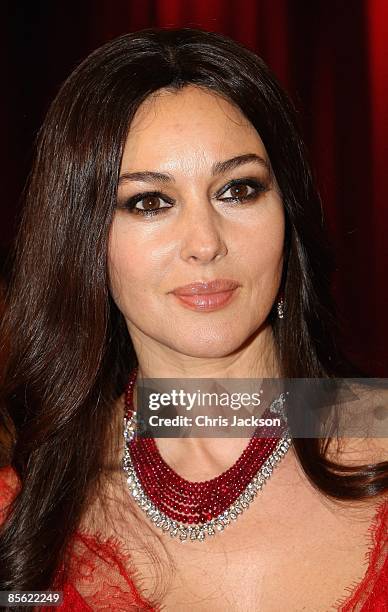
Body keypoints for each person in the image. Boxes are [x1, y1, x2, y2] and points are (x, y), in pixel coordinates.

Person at [0, 27, 386, 611]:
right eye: (149, 201)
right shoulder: (25, 515)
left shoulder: (378, 430)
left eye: (238, 189)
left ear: (289, 215)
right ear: (83, 242)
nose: (205, 242)